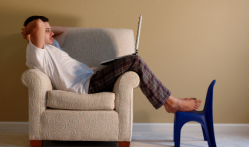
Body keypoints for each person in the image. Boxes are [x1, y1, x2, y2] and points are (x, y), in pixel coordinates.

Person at [21, 15, 201, 114]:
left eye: (51, 30)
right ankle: (171, 102)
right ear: (34, 36)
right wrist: (29, 32)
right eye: (47, 31)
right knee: (135, 61)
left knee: (132, 60)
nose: (52, 33)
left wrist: (46, 29)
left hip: (92, 77)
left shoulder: (53, 47)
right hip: (87, 86)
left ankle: (169, 101)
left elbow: (64, 29)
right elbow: (36, 24)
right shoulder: (37, 53)